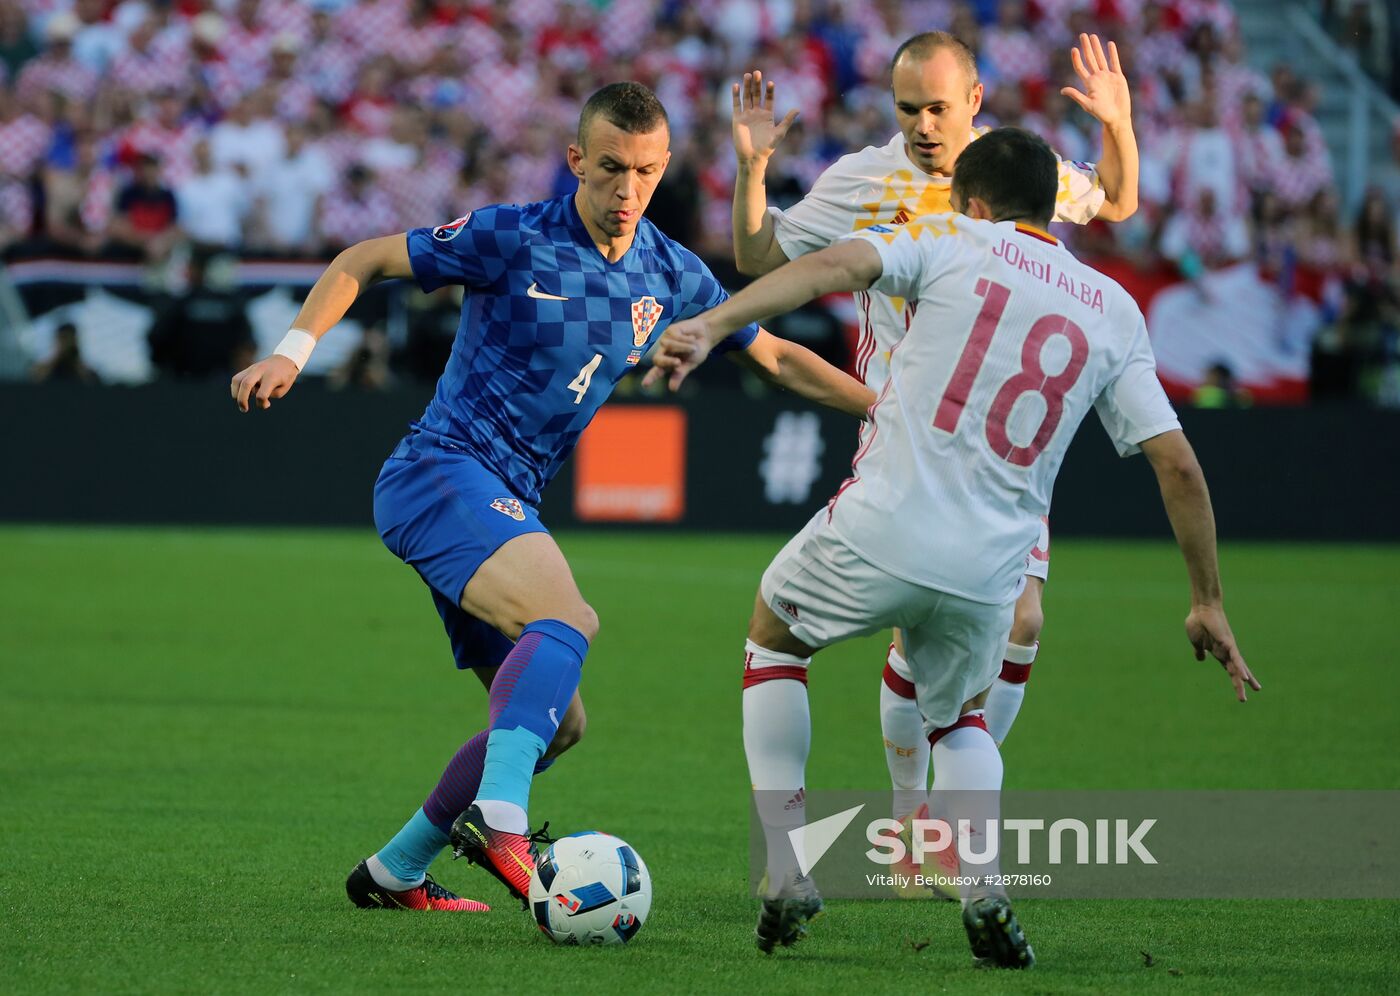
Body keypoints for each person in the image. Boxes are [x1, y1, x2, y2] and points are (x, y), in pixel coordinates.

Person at [229, 82, 875, 914]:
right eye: (609, 168)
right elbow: (364, 261)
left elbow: (780, 359)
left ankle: (393, 872)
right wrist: (292, 351)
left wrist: (889, 411)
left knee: (557, 723)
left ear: (665, 167)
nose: (626, 191)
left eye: (644, 172)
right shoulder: (512, 236)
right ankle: (503, 823)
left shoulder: (671, 272)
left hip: (505, 502)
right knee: (567, 620)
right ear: (576, 159)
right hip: (440, 471)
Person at [649, 127, 1258, 963]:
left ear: (973, 203)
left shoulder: (946, 238)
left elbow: (832, 267)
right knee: (962, 721)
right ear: (1050, 205)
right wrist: (1207, 600)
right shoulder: (1113, 307)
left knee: (774, 638)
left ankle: (787, 864)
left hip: (886, 520)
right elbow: (1179, 466)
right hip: (992, 568)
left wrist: (716, 322)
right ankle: (984, 888)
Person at [729, 32, 1141, 842]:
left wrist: (1118, 127)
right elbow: (758, 254)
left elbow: (1117, 203)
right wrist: (752, 171)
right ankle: (913, 813)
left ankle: (932, 825)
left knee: (1020, 626)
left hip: (998, 445)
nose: (923, 125)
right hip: (906, 434)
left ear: (976, 100)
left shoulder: (1015, 168)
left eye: (939, 108)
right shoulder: (864, 181)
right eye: (908, 108)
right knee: (926, 629)